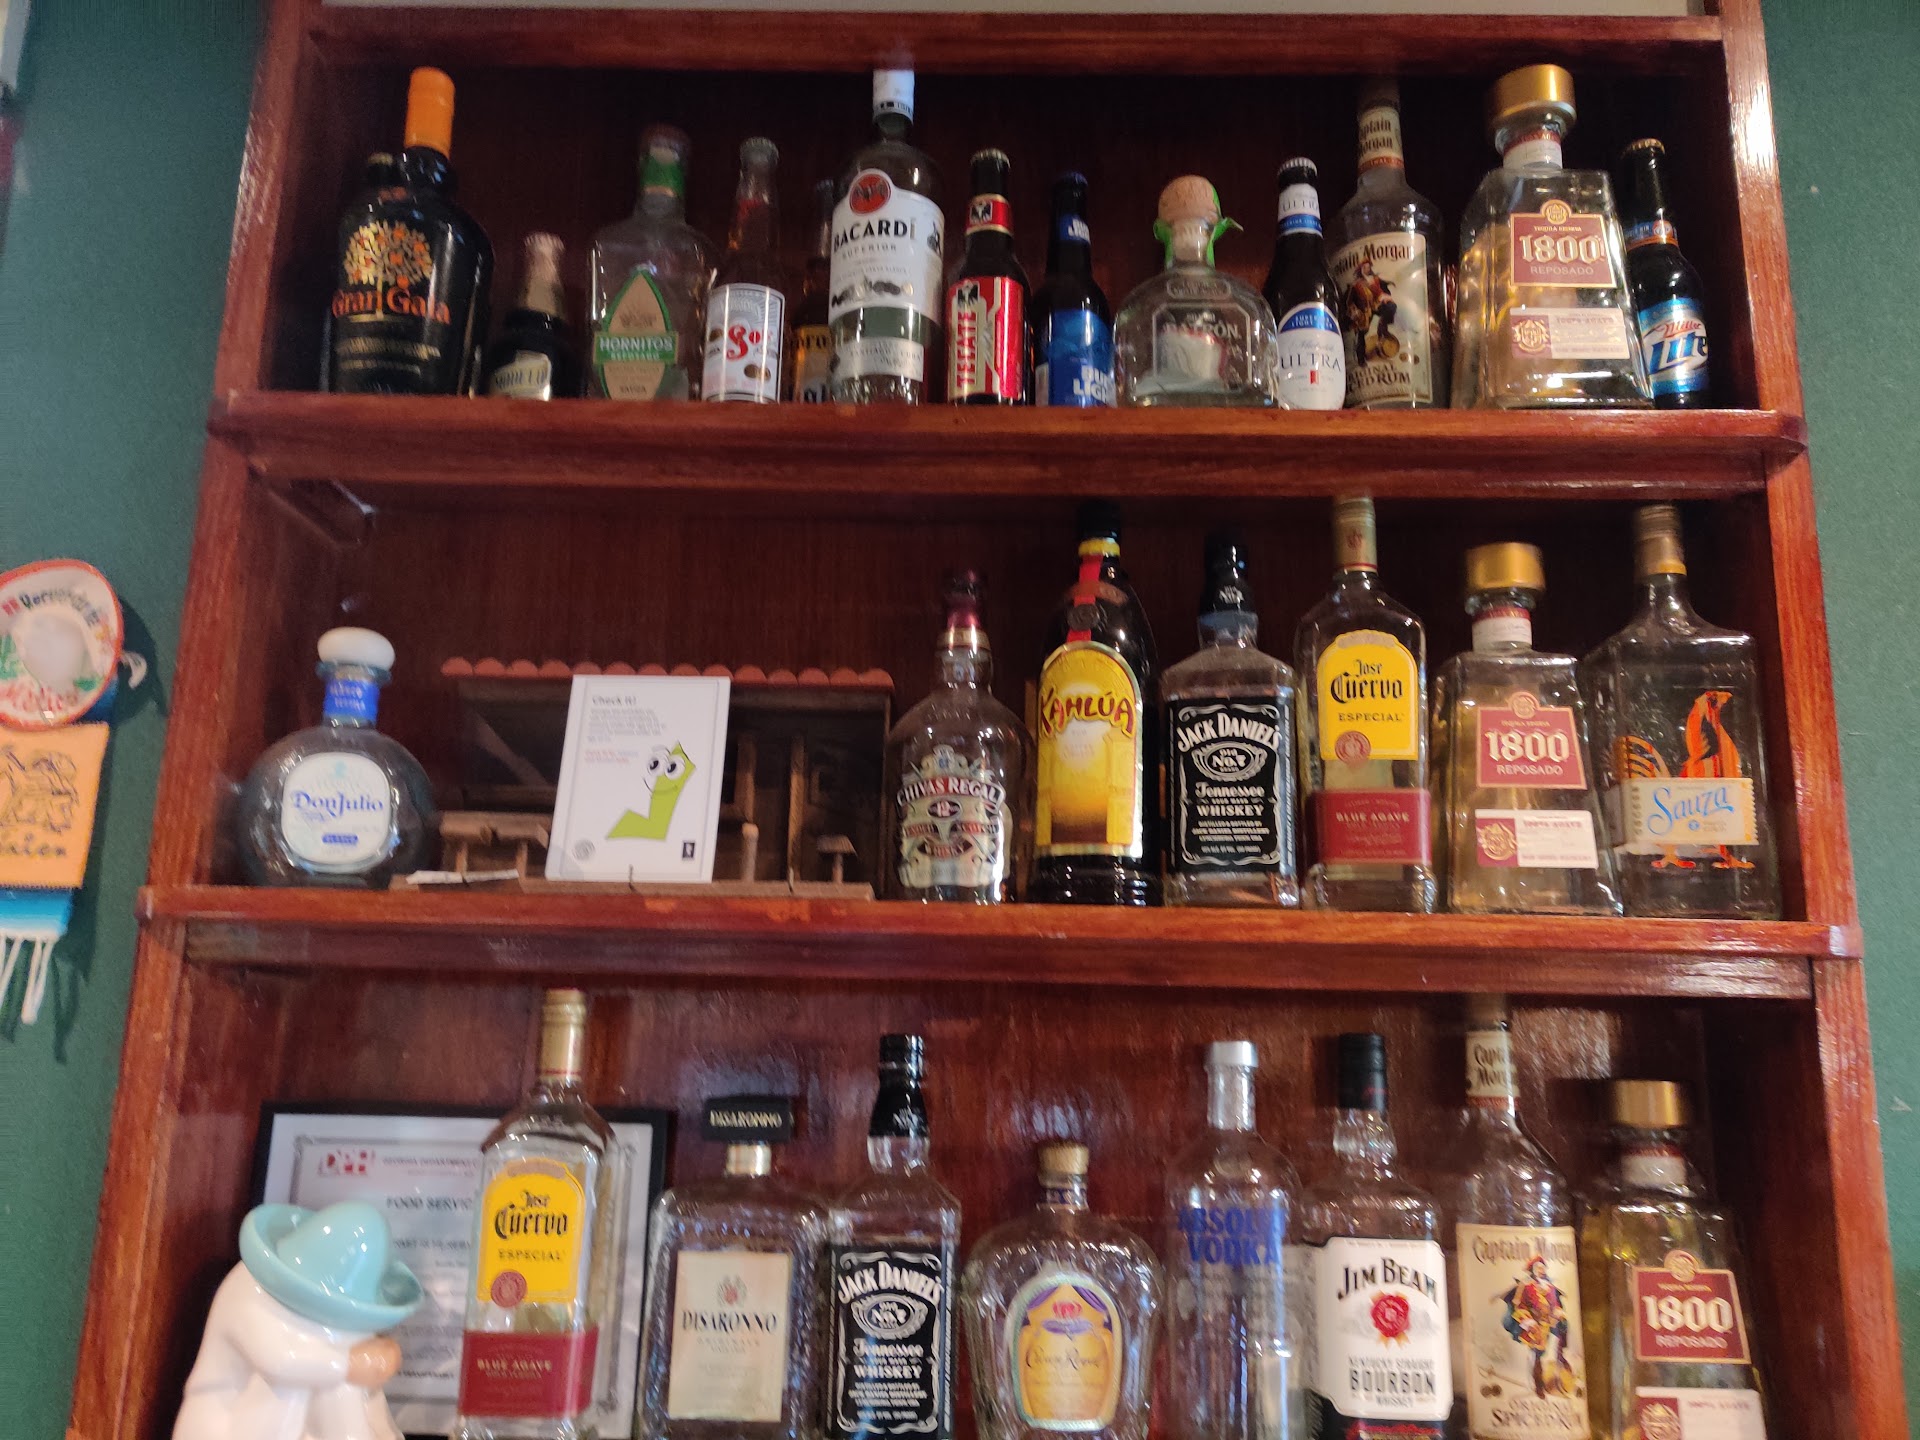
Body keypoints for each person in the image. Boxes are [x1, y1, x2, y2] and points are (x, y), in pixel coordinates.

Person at [174, 1201, 422, 1440]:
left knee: (341, 1377)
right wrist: (352, 1364)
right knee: (306, 1376)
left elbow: (363, 1380)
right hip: (221, 1427)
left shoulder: (343, 1327)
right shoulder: (249, 1291)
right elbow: (281, 1361)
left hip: (301, 1414)